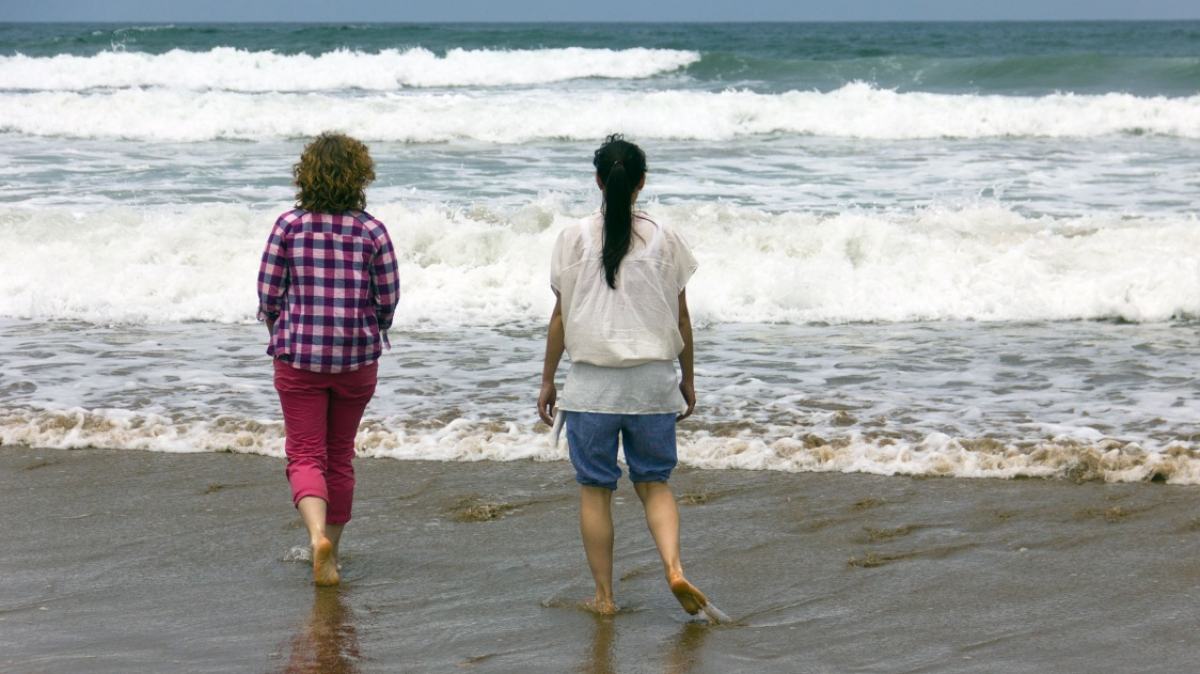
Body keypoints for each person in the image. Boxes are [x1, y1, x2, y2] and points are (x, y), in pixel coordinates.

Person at [538, 134, 718, 619]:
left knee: (596, 490)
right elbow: (682, 319)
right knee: (654, 483)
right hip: (652, 386)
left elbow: (560, 317)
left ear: (599, 180)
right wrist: (687, 379)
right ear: (641, 182)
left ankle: (604, 598)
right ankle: (674, 568)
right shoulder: (666, 237)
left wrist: (548, 380)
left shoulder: (572, 236)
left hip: (591, 389)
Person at [257, 132, 400, 586]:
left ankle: (315, 535)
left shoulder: (288, 226)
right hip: (356, 361)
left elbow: (268, 293)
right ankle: (331, 555)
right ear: (359, 177)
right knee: (339, 456)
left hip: (298, 357)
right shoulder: (372, 230)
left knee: (305, 454)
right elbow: (388, 298)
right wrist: (373, 326)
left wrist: (279, 329)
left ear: (307, 174)